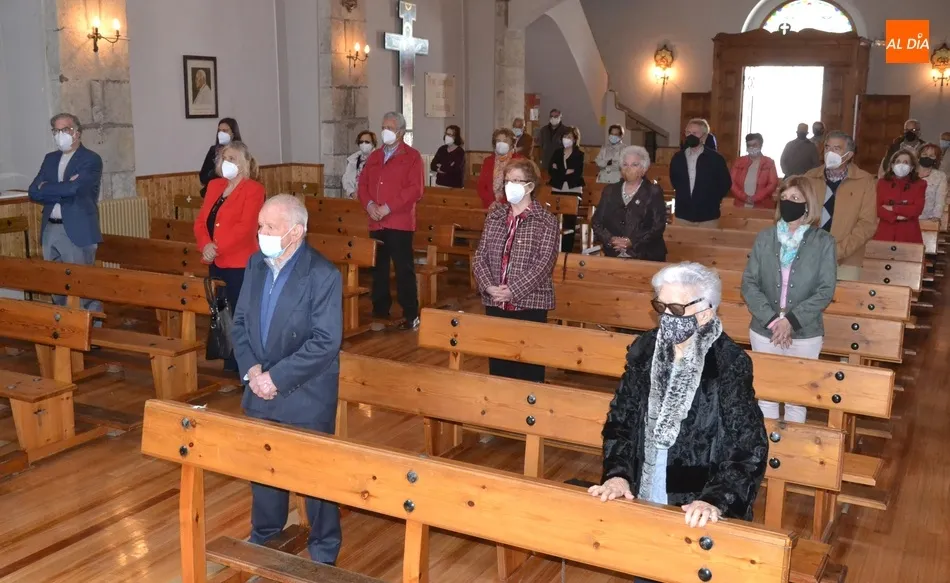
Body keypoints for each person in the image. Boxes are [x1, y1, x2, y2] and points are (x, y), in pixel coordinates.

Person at [589, 263, 767, 554]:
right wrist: (618, 474)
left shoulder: (728, 362)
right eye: (662, 306)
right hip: (643, 492)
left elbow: (748, 446)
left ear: (706, 312)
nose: (667, 317)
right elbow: (620, 420)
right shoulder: (644, 350)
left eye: (677, 308)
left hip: (695, 505)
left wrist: (715, 498)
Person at [230, 194, 343, 566]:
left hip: (305, 393)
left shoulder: (322, 274)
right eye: (260, 226)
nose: (261, 233)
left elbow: (326, 341)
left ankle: (324, 552)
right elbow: (241, 322)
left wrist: (275, 378)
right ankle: (265, 540)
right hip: (259, 387)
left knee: (316, 481)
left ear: (295, 232)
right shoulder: (256, 264)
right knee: (263, 475)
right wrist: (252, 371)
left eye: (269, 227)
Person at [741, 177, 836, 424]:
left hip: (805, 332)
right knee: (766, 397)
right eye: (784, 198)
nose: (788, 203)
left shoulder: (823, 242)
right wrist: (774, 321)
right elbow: (749, 284)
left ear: (808, 204)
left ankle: (792, 458)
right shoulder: (765, 238)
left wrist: (790, 321)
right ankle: (767, 454)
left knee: (797, 398)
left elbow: (825, 290)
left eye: (795, 198)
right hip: (765, 329)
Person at [472, 159, 559, 383]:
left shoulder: (546, 221)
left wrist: (513, 290)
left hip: (530, 303)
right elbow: (480, 256)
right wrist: (489, 287)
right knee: (500, 367)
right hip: (495, 302)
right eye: (508, 181)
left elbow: (544, 264)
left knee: (528, 369)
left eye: (517, 181)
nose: (510, 185)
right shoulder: (495, 217)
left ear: (530, 186)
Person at [194, 141, 266, 372]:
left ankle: (247, 368)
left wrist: (217, 246)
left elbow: (246, 228)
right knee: (223, 315)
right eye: (224, 158)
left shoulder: (254, 189)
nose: (227, 163)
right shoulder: (215, 186)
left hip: (240, 263)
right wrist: (205, 245)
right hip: (216, 261)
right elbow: (201, 222)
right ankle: (229, 365)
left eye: (233, 159)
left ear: (245, 163)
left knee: (241, 316)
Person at [28, 113, 103, 315]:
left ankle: (92, 328)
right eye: (56, 130)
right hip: (51, 227)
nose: (60, 134)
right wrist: (61, 186)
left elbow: (74, 189)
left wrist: (49, 188)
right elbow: (34, 191)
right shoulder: (50, 159)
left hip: (77, 228)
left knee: (82, 285)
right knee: (56, 284)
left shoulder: (90, 159)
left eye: (65, 129)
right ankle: (64, 328)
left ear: (77, 132)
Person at [356, 111, 424, 331]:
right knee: (378, 268)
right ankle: (380, 309)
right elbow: (363, 185)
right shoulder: (375, 156)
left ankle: (410, 313)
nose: (386, 131)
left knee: (403, 269)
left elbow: (415, 190)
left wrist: (388, 207)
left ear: (401, 132)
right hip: (376, 221)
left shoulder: (412, 156)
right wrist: (370, 206)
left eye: (391, 127)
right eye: (384, 126)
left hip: (399, 222)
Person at [803, 131, 877, 281]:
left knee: (843, 302)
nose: (830, 152)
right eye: (828, 148)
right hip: (810, 256)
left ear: (849, 155)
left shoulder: (865, 181)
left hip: (847, 260)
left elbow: (867, 224)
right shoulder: (809, 177)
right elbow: (800, 216)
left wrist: (838, 251)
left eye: (837, 149)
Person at [591, 146, 666, 261]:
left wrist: (632, 241)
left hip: (645, 255)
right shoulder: (609, 190)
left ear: (643, 169)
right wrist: (611, 239)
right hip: (613, 253)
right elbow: (597, 222)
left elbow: (658, 226)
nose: (628, 168)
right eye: (625, 165)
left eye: (634, 165)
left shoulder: (653, 192)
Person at [670, 118, 732, 227]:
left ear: (704, 136)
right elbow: (674, 181)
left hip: (708, 217)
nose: (690, 136)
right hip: (682, 215)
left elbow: (725, 184)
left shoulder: (716, 159)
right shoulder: (678, 158)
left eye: (695, 133)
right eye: (688, 132)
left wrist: (711, 201)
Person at [873, 150, 925, 244]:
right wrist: (896, 217)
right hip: (885, 231)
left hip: (909, 233)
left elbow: (917, 209)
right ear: (892, 166)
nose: (901, 165)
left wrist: (893, 208)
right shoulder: (882, 183)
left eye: (906, 162)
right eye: (898, 162)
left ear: (912, 167)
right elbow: (877, 208)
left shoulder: (920, 184)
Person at [547, 125, 584, 252]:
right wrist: (564, 171)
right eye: (564, 137)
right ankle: (553, 248)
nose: (566, 139)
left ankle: (567, 249)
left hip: (572, 189)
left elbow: (575, 172)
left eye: (569, 137)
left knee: (569, 222)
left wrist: (559, 170)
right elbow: (551, 170)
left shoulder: (579, 154)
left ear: (574, 139)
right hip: (557, 188)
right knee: (553, 220)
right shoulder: (557, 153)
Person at [477, 128, 523, 208]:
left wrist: (501, 203)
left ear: (512, 144)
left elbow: (519, 186)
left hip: (512, 206)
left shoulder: (519, 161)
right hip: (490, 206)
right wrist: (491, 202)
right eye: (498, 140)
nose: (501, 143)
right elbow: (481, 185)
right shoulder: (488, 161)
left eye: (505, 141)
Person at [730, 133, 779, 209]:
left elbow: (772, 184)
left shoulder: (769, 162)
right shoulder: (739, 161)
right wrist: (744, 198)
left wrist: (755, 198)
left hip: (762, 206)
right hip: (740, 205)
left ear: (761, 145)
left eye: (754, 145)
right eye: (748, 145)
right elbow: (731, 182)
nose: (751, 147)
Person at [199, 118, 241, 197]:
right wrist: (215, 172)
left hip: (233, 192)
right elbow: (203, 177)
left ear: (233, 133)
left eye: (225, 131)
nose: (221, 133)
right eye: (219, 131)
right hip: (214, 192)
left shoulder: (240, 151)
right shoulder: (213, 150)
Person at [342, 131, 377, 199]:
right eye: (361, 142)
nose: (363, 144)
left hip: (371, 201)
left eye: (367, 142)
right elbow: (345, 179)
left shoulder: (379, 159)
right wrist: (351, 193)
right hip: (354, 199)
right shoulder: (353, 160)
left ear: (373, 144)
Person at [917, 143, 948, 222]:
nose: (927, 157)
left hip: (928, 219)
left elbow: (940, 199)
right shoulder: (909, 173)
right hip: (906, 217)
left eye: (931, 156)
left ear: (936, 159)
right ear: (919, 156)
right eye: (924, 154)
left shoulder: (940, 176)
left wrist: (936, 216)